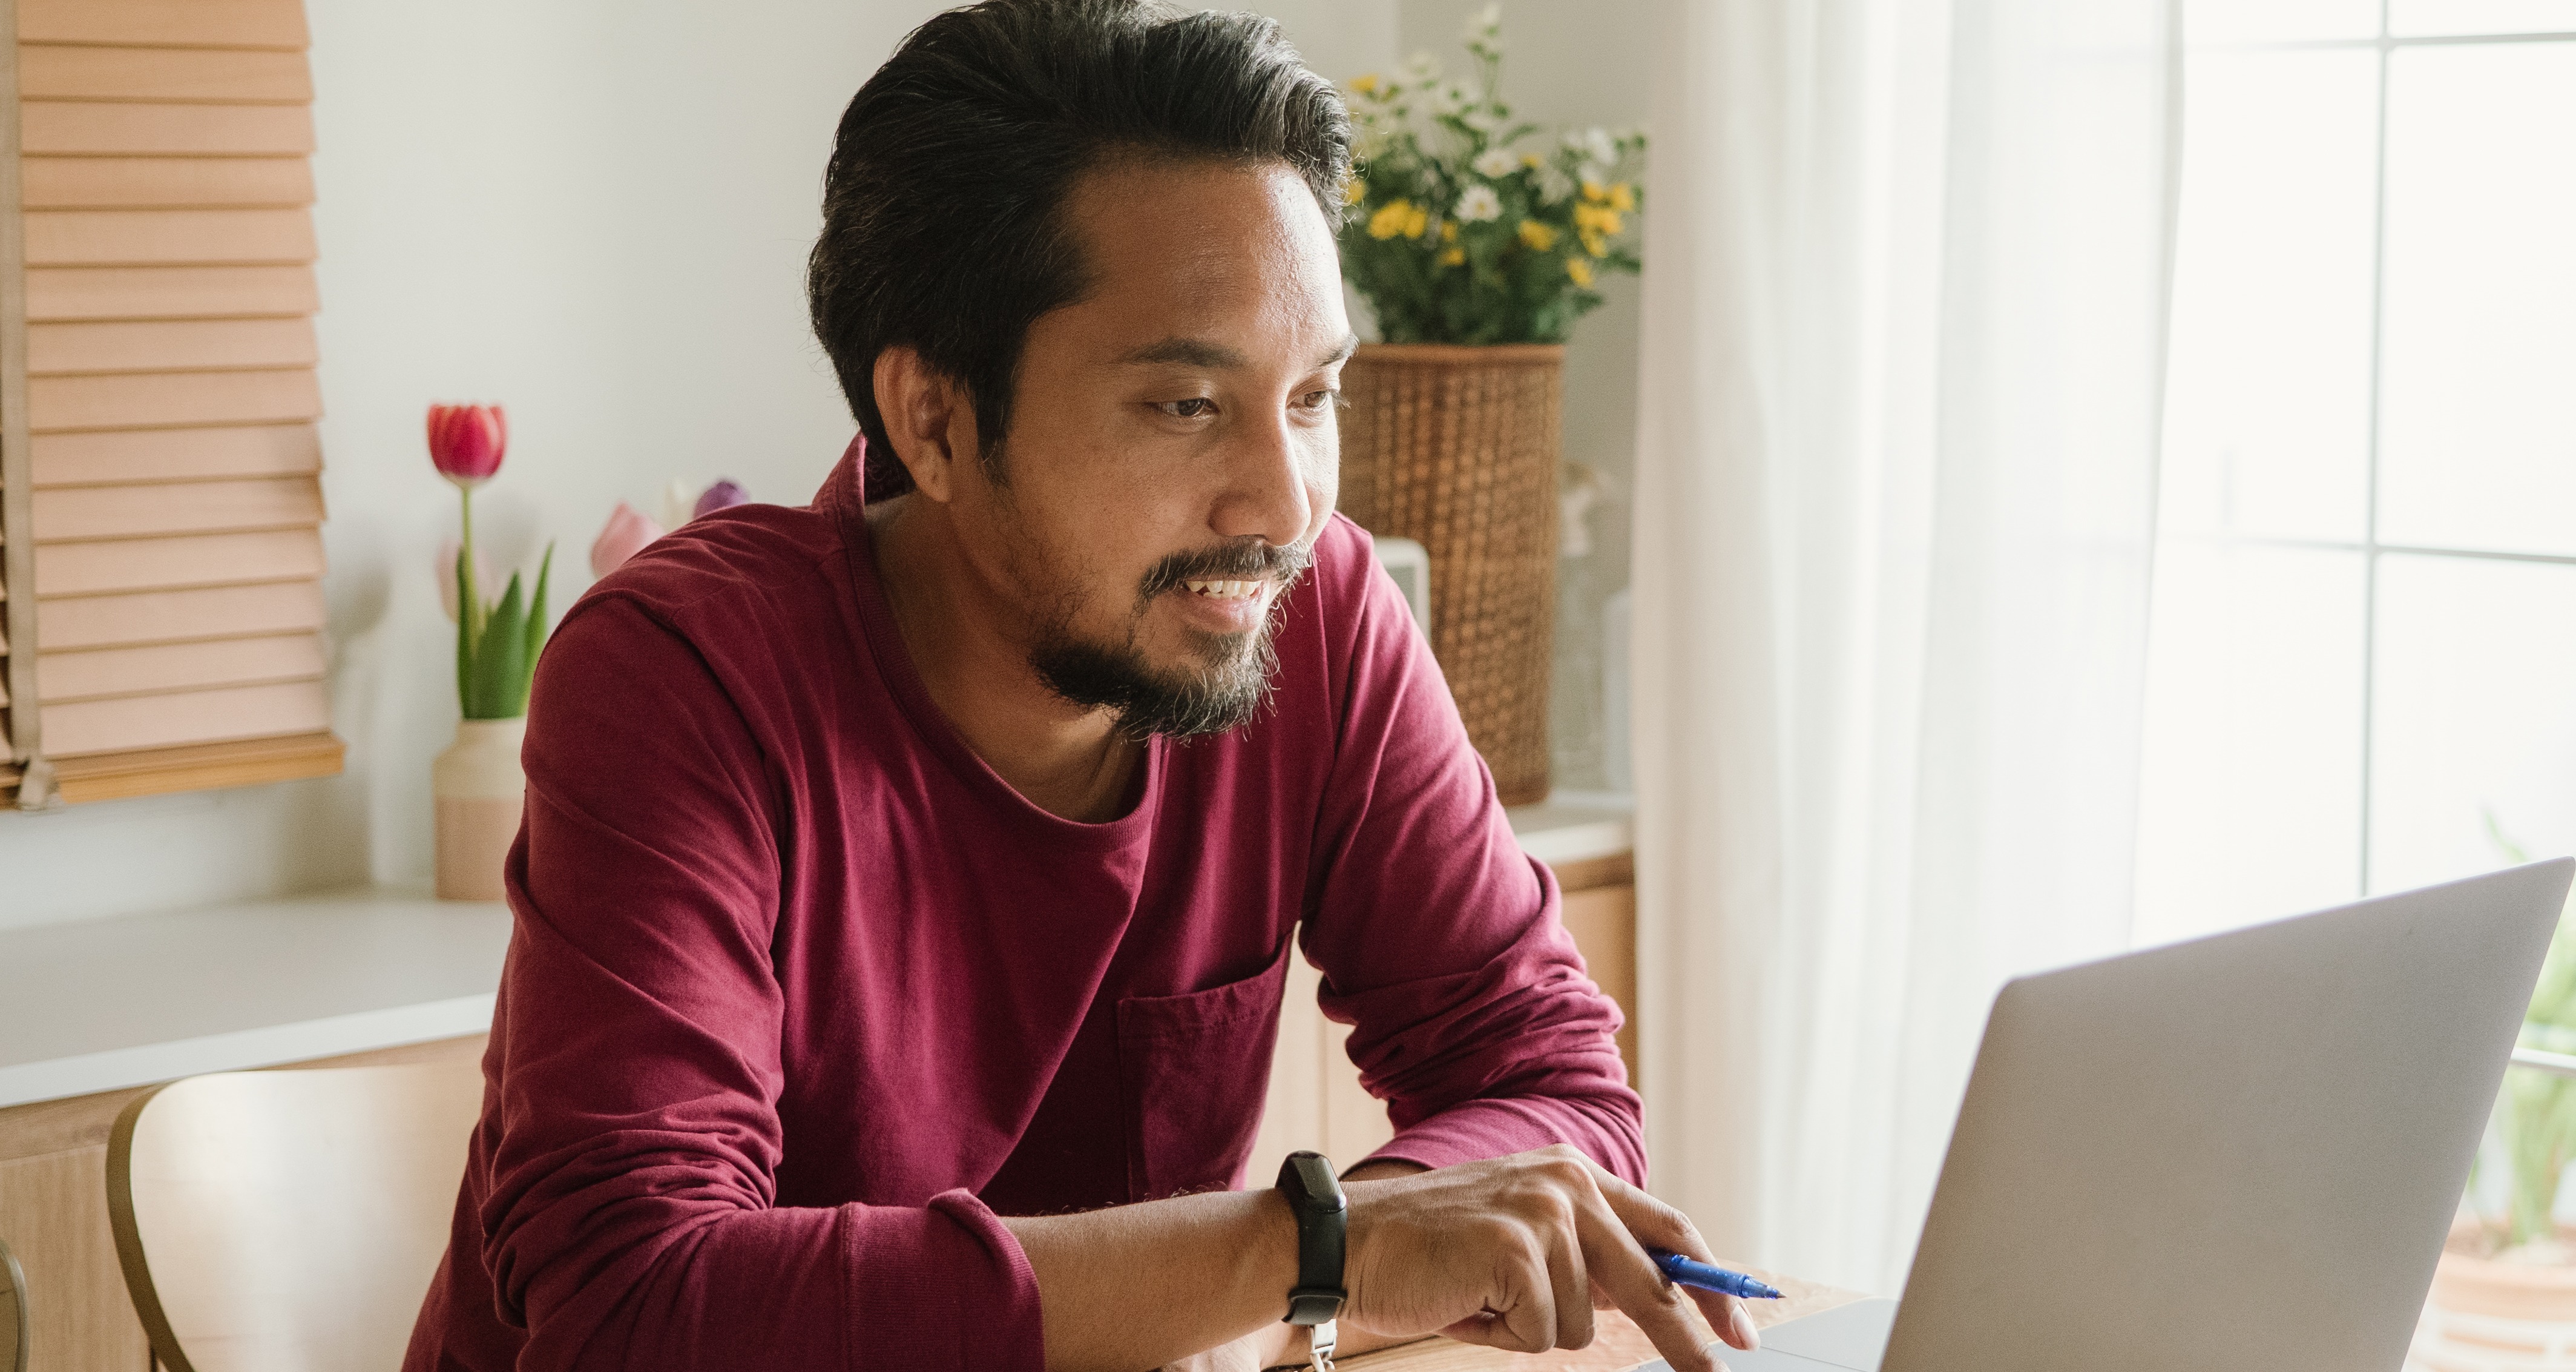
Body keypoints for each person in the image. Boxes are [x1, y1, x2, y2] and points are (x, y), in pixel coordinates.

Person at [401, 3, 1753, 1370]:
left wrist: (1344, 1255)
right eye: (1185, 404)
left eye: (1311, 397)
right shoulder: (687, 675)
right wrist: (1307, 1252)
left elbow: (1544, 1079)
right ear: (932, 418)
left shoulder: (1314, 613)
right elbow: (636, 1308)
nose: (1282, 507)